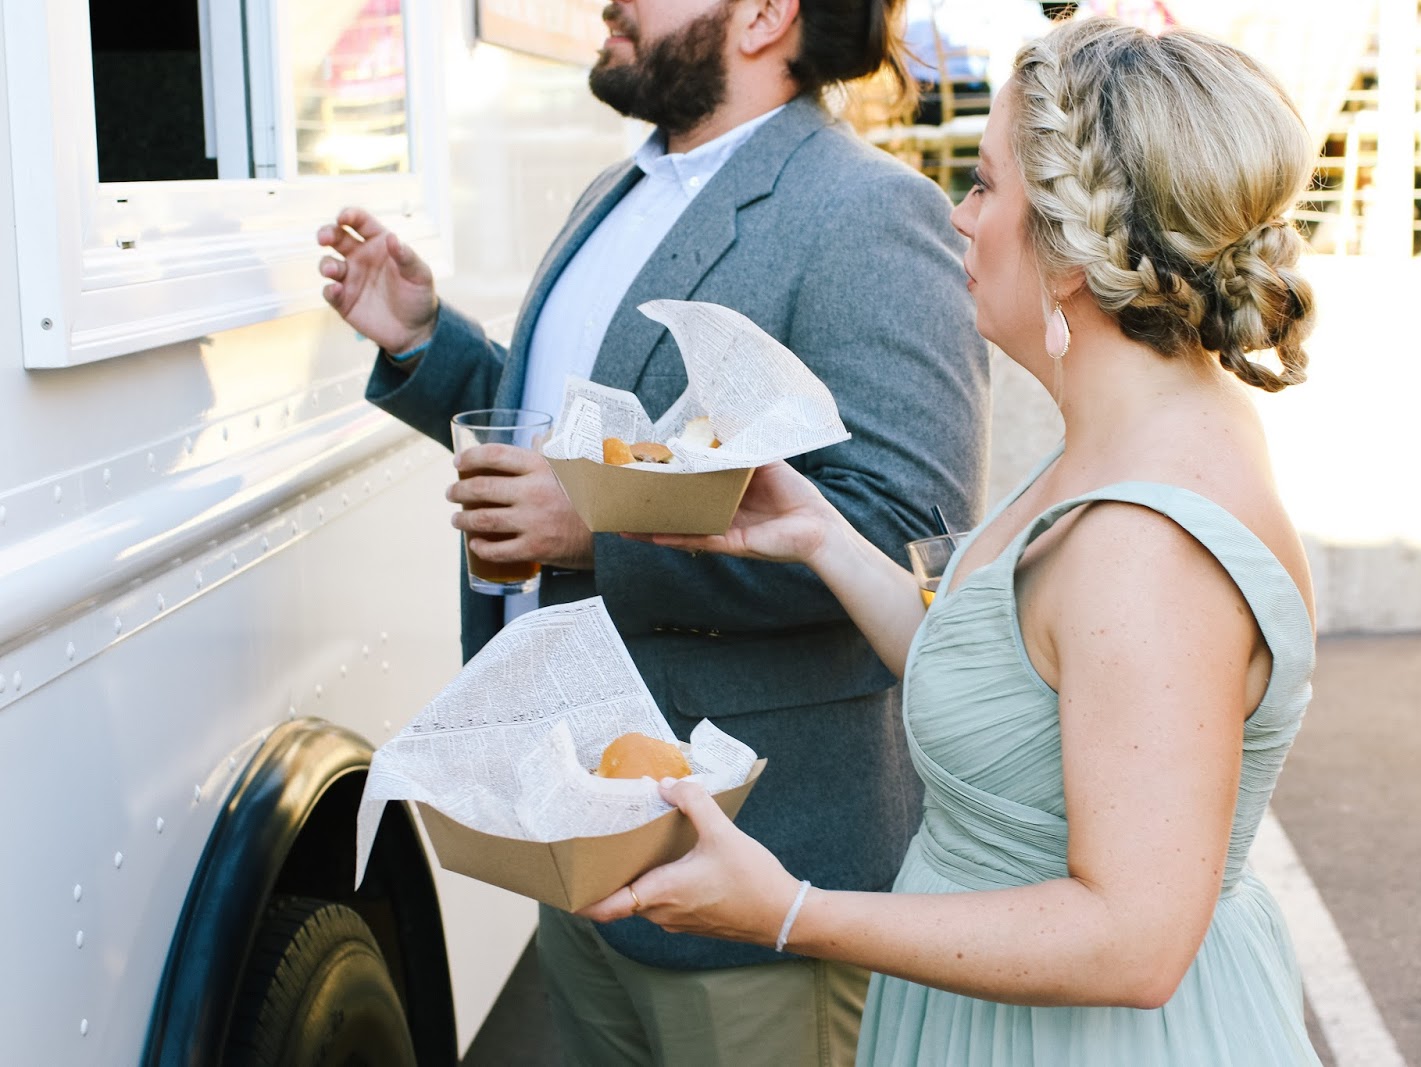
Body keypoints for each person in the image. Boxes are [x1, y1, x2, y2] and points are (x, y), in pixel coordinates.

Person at [582, 14, 1324, 1065]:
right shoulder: (1138, 429)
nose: (957, 217)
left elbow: (1133, 943)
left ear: (1070, 250)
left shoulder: (1146, 547)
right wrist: (823, 539)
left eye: (981, 185)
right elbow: (1010, 682)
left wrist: (790, 911)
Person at [315, 0, 991, 1063]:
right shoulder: (617, 191)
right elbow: (593, 442)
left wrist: (596, 532)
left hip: (761, 878)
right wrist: (426, 344)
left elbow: (902, 531)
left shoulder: (870, 211)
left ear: (765, 14)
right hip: (585, 846)